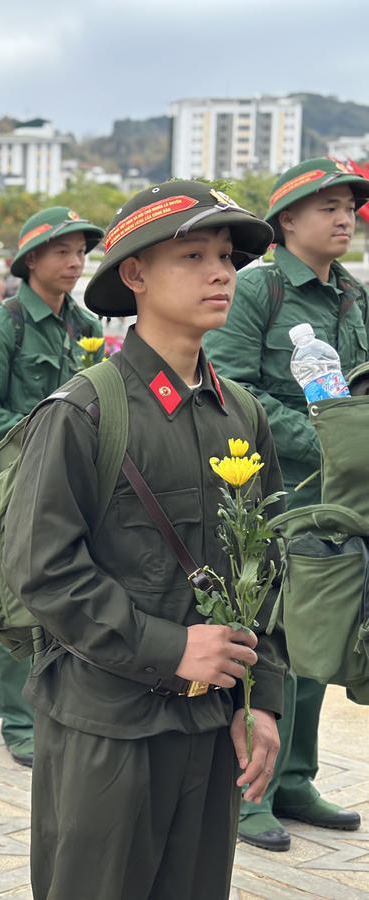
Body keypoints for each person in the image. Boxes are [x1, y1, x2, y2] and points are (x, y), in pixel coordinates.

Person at [3, 181, 287, 899]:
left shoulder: (242, 414)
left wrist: (265, 700)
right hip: (109, 730)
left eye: (226, 256)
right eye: (193, 255)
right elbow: (41, 571)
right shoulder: (85, 411)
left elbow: (269, 569)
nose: (221, 272)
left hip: (211, 722)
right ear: (135, 275)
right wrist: (170, 645)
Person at [204, 157, 369, 851]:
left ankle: (295, 775)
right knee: (265, 636)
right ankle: (251, 792)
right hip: (272, 493)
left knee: (321, 632)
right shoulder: (256, 290)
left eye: (349, 207)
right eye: (326, 206)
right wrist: (326, 435)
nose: (344, 218)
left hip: (337, 502)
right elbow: (230, 384)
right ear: (287, 221)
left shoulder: (352, 294)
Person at [0, 206, 105, 767]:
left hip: (73, 481)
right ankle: (17, 717)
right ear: (30, 260)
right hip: (12, 483)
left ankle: (56, 698)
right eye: (62, 251)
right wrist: (42, 441)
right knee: (11, 593)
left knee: (66, 586)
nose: (74, 262)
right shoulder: (0, 328)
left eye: (81, 252)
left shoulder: (86, 327)